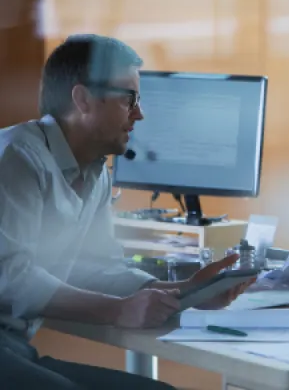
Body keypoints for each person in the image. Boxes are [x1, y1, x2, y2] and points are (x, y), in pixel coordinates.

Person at [0, 34, 250, 389]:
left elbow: (95, 268)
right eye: (129, 98)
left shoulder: (95, 171)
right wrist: (119, 310)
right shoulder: (16, 158)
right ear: (83, 99)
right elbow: (11, 280)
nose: (139, 113)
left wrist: (185, 291)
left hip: (14, 351)